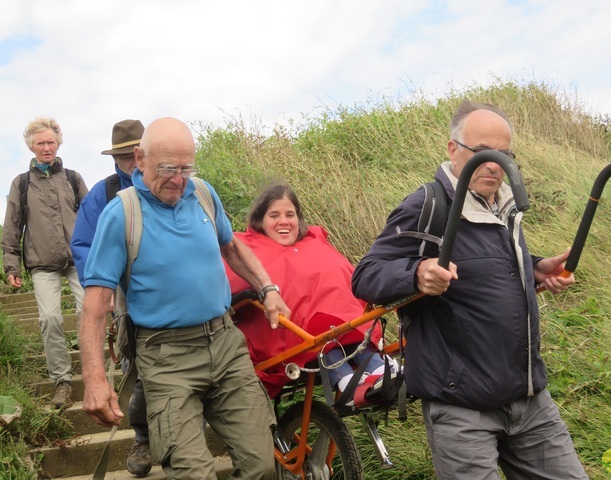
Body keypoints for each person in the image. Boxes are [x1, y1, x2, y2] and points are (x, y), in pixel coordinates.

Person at [352, 100, 588, 479]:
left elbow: (489, 264)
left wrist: (536, 268)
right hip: (462, 408)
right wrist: (417, 273)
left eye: (504, 154)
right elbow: (366, 275)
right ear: (453, 149)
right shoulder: (428, 205)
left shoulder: (504, 206)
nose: (495, 164)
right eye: (483, 153)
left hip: (529, 401)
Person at [79, 117, 289, 479]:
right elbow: (96, 305)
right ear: (139, 158)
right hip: (166, 359)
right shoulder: (121, 213)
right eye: (167, 168)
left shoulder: (203, 193)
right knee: (194, 473)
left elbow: (231, 246)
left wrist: (268, 288)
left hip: (225, 346)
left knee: (262, 465)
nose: (179, 179)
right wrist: (95, 379)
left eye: (186, 167)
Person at [225, 183, 391, 404]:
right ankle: (348, 381)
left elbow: (347, 279)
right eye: (274, 215)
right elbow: (231, 282)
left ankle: (377, 368)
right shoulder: (247, 249)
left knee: (344, 327)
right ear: (260, 221)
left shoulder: (314, 244)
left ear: (299, 219)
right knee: (321, 334)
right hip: (285, 334)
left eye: (289, 215)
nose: (283, 221)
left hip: (344, 327)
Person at [70, 119, 152, 476]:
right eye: (124, 156)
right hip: (122, 289)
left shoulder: (172, 185)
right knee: (135, 364)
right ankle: (144, 437)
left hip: (170, 288)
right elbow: (84, 245)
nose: (132, 161)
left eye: (137, 153)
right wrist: (102, 288)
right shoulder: (102, 196)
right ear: (116, 158)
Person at [1, 116, 88, 408]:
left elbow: (91, 220)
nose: (47, 147)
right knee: (50, 318)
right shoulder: (22, 184)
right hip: (41, 263)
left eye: (51, 141)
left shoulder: (73, 179)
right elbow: (11, 227)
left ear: (58, 143)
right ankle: (62, 382)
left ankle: (93, 373)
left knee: (89, 311)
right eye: (41, 143)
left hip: (77, 260)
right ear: (31, 147)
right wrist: (11, 266)